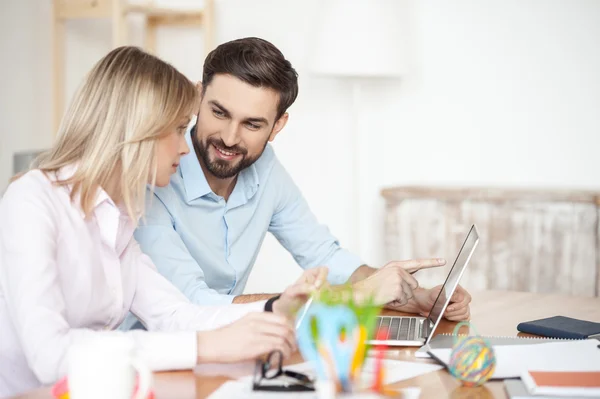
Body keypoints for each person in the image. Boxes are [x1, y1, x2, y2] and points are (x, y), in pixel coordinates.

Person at [0, 46, 325, 398]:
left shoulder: (118, 216)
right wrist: (205, 347)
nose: (185, 148)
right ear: (138, 130)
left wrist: (276, 308)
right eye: (177, 129)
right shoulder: (32, 200)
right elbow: (50, 356)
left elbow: (174, 314)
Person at [131, 37, 472, 323]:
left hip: (228, 344)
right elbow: (190, 305)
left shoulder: (264, 167)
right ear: (198, 97)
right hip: (156, 356)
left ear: (277, 126)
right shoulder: (153, 180)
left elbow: (323, 254)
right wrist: (357, 295)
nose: (230, 138)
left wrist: (409, 297)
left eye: (252, 124)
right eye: (219, 113)